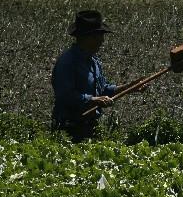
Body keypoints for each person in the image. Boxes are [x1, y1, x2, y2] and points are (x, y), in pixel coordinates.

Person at [51, 10, 140, 142]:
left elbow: (103, 89)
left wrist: (130, 87)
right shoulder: (67, 62)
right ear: (87, 37)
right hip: (69, 130)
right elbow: (65, 95)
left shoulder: (94, 61)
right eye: (99, 36)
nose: (102, 41)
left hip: (90, 127)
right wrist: (93, 100)